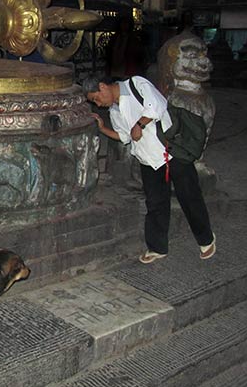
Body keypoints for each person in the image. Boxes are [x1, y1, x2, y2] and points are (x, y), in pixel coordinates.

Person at [82, 73, 216, 263]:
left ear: (103, 87)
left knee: (189, 197)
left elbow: (157, 105)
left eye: (96, 98)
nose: (98, 103)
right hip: (148, 160)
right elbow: (125, 137)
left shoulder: (136, 84)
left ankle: (206, 239)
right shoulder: (114, 110)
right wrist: (103, 129)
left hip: (171, 152)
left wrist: (139, 124)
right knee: (155, 203)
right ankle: (157, 247)